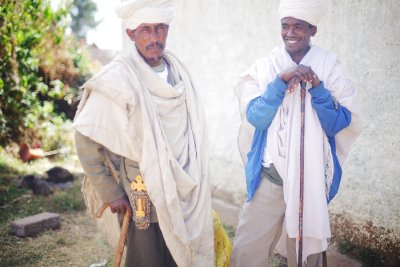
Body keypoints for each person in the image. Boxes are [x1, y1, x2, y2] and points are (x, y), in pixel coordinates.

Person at [73, 0, 214, 266]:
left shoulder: (178, 71)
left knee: (182, 256)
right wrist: (110, 191)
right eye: (145, 29)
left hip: (185, 188)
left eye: (160, 28)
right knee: (147, 259)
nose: (154, 37)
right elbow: (85, 139)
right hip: (142, 190)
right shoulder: (118, 76)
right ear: (131, 34)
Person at [230, 0, 363, 266]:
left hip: (309, 182)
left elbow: (338, 123)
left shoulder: (329, 68)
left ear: (312, 29)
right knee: (247, 250)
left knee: (305, 254)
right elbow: (256, 116)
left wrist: (318, 88)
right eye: (285, 26)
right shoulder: (267, 66)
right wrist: (280, 82)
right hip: (270, 177)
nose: (290, 33)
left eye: (298, 27)